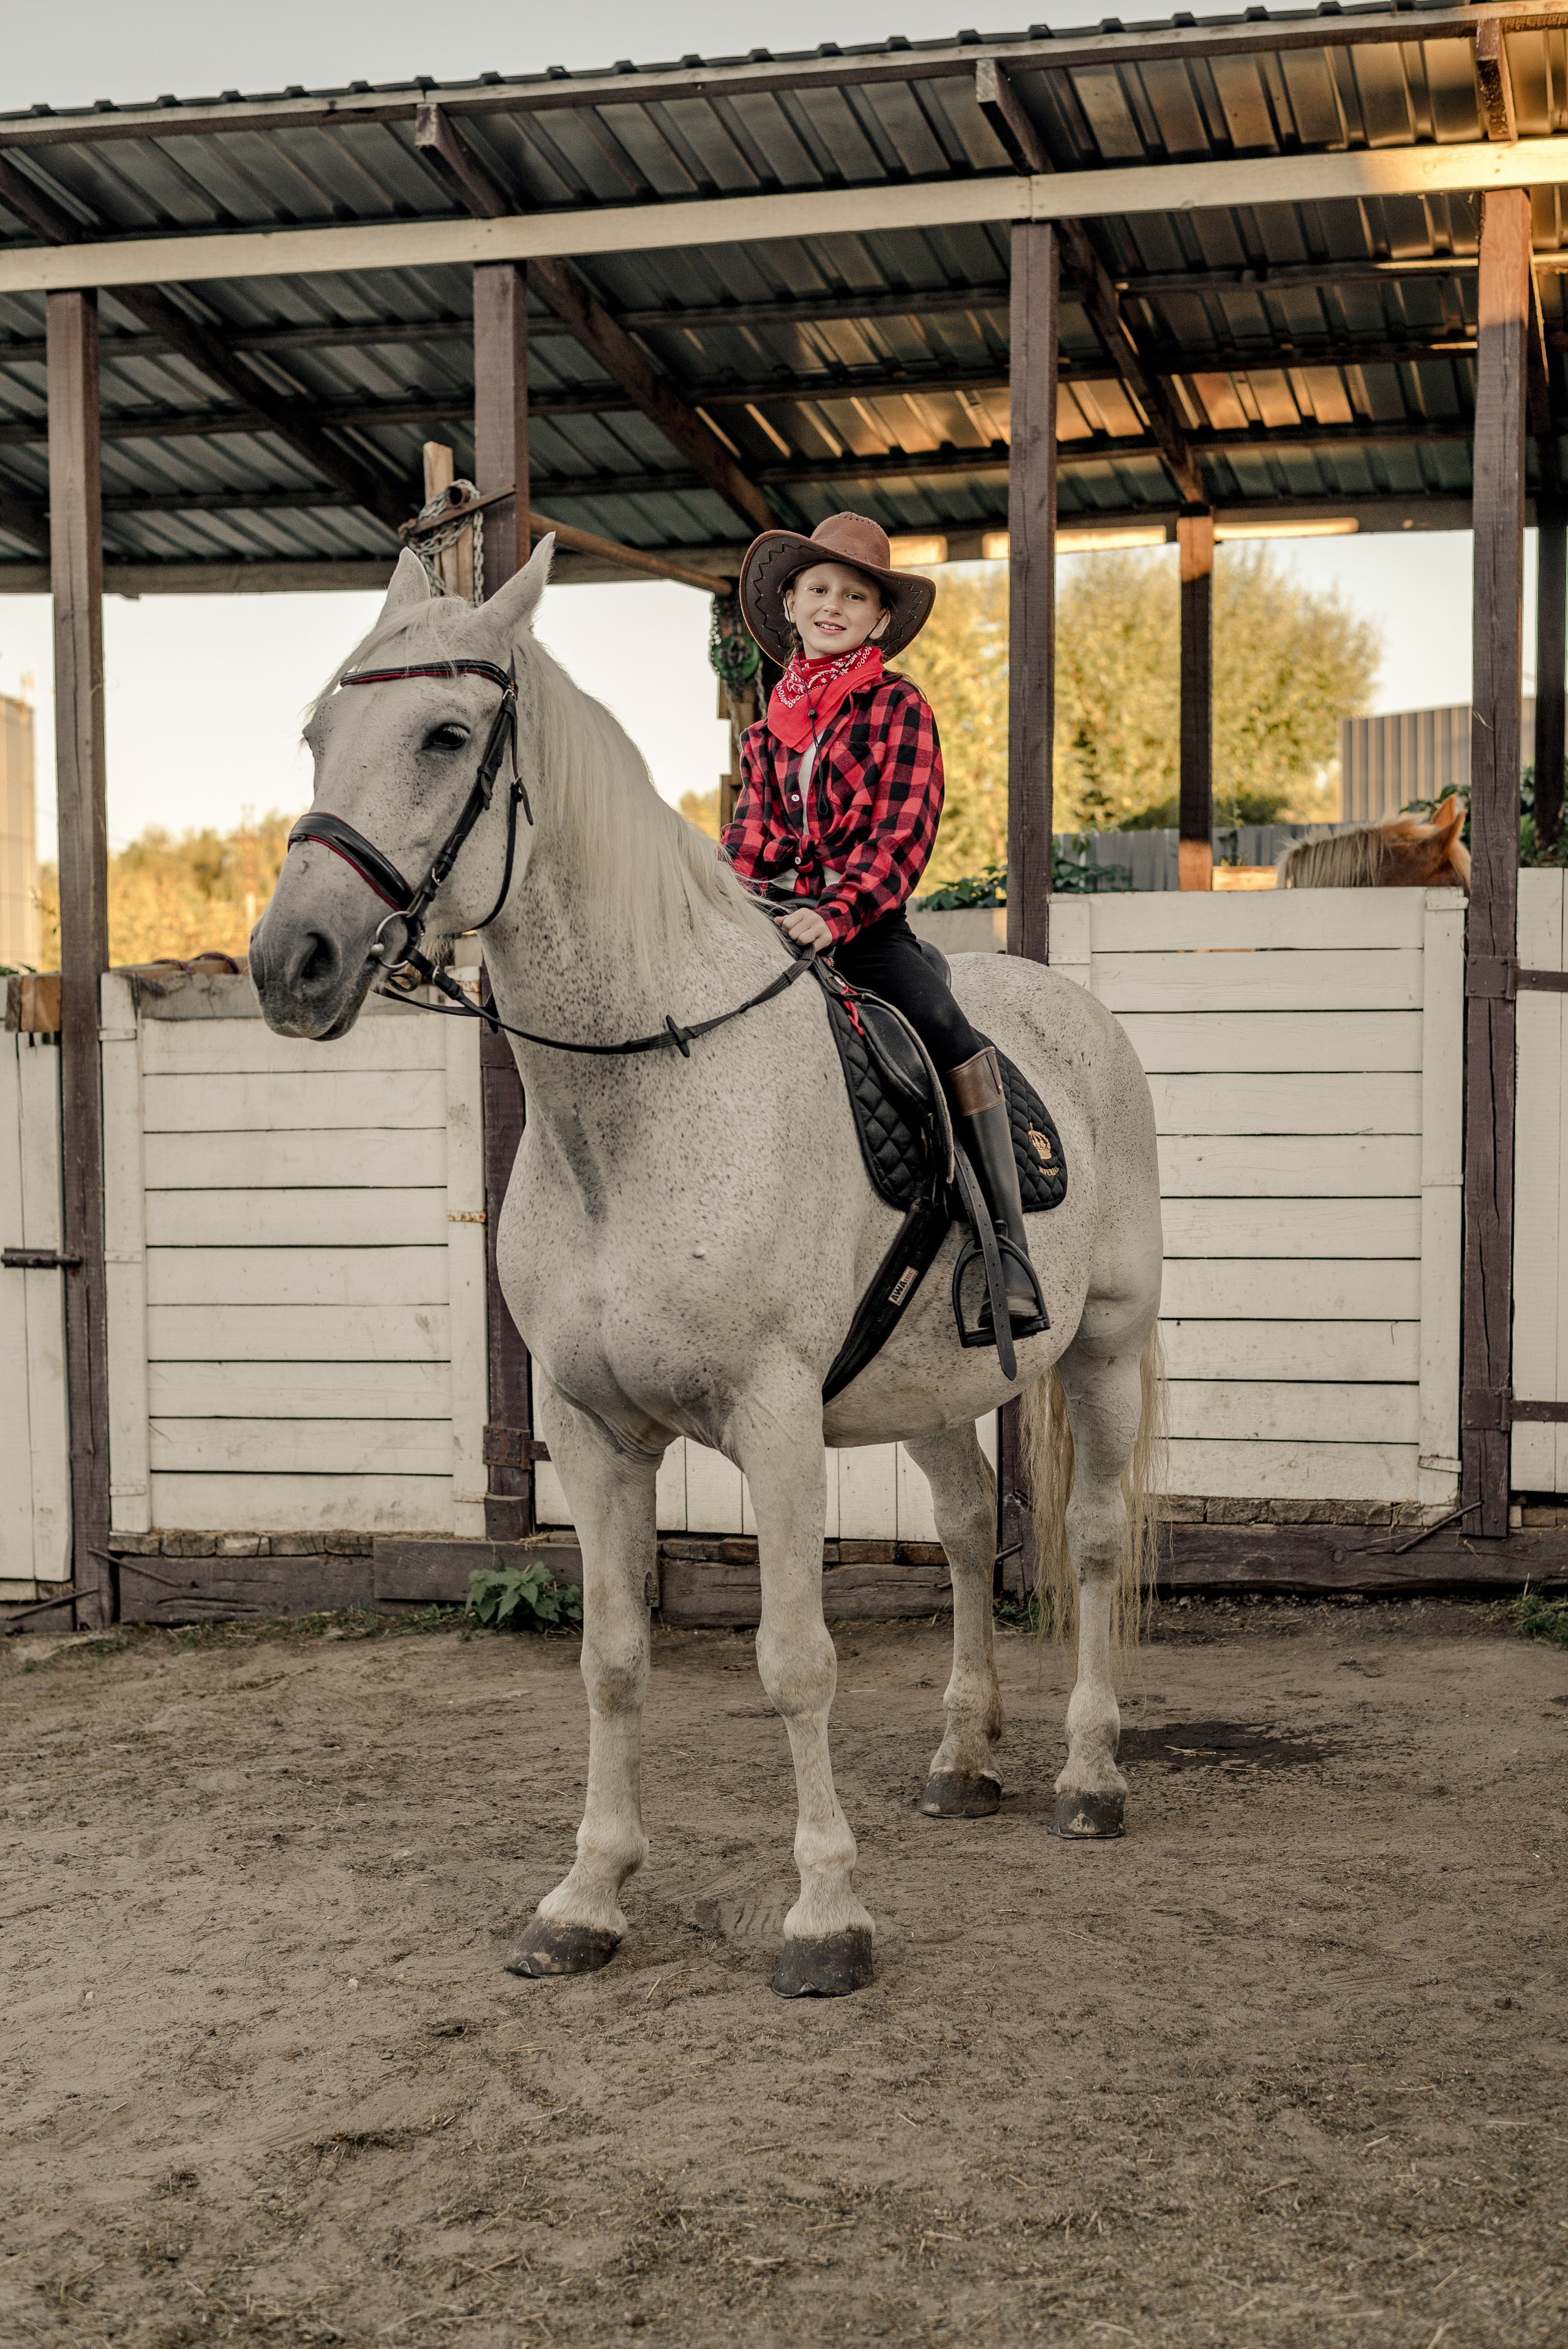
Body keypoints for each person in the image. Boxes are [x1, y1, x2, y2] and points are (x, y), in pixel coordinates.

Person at [722, 511, 1046, 1341]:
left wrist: (832, 915)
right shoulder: (765, 734)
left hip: (861, 926)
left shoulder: (897, 708)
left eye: (854, 596)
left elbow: (902, 834)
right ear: (791, 603)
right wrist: (731, 905)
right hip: (771, 925)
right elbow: (748, 842)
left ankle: (1005, 1249)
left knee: (947, 1030)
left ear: (878, 619)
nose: (834, 605)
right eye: (820, 589)